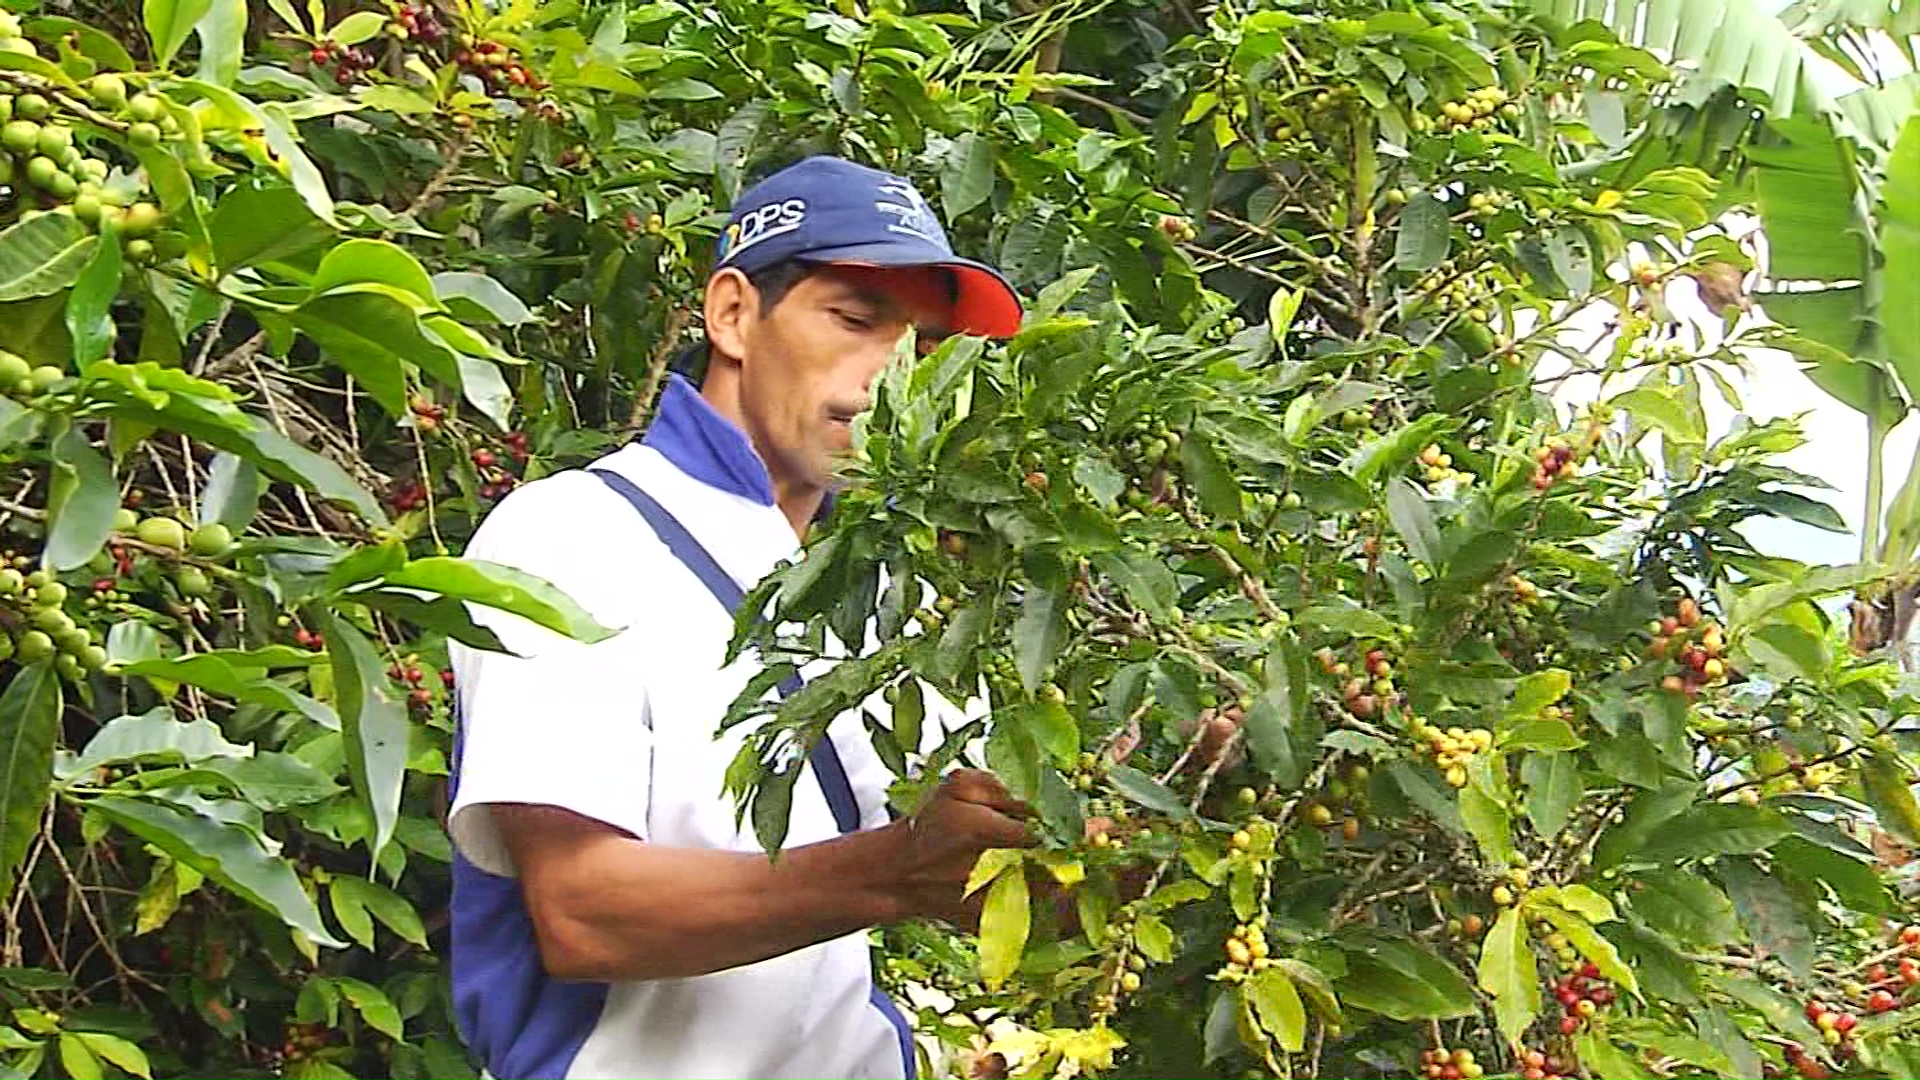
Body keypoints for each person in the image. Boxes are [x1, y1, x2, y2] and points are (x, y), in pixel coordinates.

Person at [444, 155, 1036, 1080]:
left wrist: (1146, 821)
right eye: (853, 319)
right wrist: (894, 870)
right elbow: (584, 914)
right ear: (731, 315)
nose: (893, 376)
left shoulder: (893, 588)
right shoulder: (567, 535)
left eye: (920, 345)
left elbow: (982, 870)